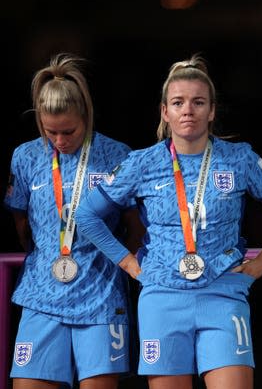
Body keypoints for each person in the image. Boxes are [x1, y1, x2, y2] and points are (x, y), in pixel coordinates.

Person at [75, 54, 262, 389]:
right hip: (162, 299)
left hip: (223, 294)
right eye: (178, 102)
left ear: (211, 111)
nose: (188, 110)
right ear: (165, 112)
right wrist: (129, 264)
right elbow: (86, 215)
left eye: (198, 102)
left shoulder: (239, 159)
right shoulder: (142, 163)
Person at [3, 53, 143, 389]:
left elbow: (135, 227)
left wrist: (122, 267)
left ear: (86, 116)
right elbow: (22, 224)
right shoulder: (26, 156)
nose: (61, 141)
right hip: (41, 294)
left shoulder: (117, 155)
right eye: (51, 132)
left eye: (69, 131)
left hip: (101, 295)